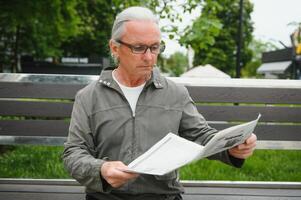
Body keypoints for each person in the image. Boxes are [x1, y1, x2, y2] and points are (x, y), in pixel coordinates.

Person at [63, 6, 257, 200]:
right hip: (106, 197)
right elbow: (74, 153)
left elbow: (200, 136)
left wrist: (232, 148)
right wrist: (101, 169)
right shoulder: (88, 97)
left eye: (155, 47)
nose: (149, 57)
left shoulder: (175, 93)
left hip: (164, 196)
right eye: (138, 48)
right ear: (115, 48)